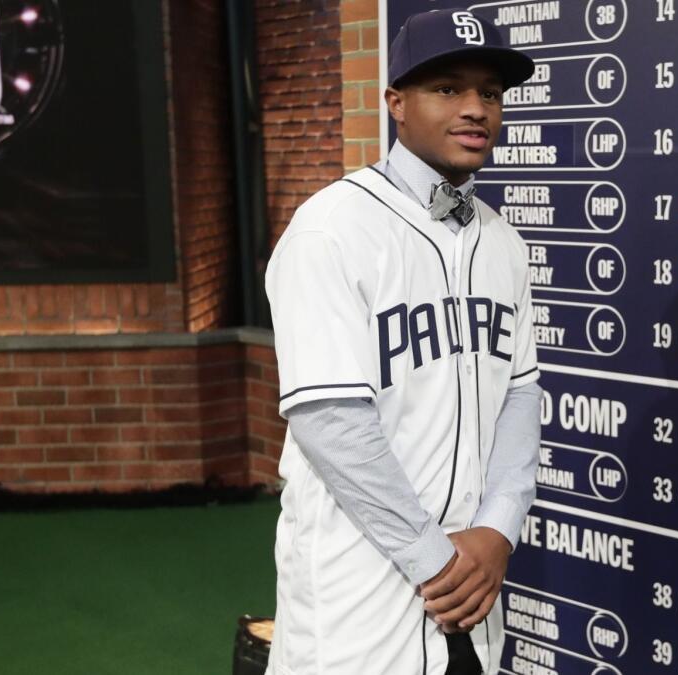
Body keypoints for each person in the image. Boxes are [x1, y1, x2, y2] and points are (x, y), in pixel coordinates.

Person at [264, 8, 541, 674]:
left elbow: (520, 399)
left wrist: (499, 529)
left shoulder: (502, 242)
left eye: (490, 93)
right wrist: (435, 558)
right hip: (363, 584)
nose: (476, 108)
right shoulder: (330, 229)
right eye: (448, 88)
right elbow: (330, 420)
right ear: (396, 103)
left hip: (470, 585)